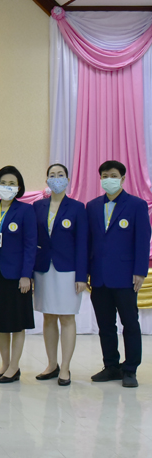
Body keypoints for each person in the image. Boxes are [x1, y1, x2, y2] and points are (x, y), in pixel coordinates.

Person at [86, 160, 151, 388]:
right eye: (104, 175)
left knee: (130, 323)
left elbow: (143, 242)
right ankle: (111, 366)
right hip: (100, 276)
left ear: (123, 178)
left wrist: (140, 271)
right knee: (105, 324)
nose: (108, 179)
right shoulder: (92, 206)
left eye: (113, 175)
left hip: (125, 276)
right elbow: (88, 242)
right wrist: (85, 273)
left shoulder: (136, 205)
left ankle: (130, 368)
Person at [32, 164, 87, 386]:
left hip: (68, 270)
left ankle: (65, 368)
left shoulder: (77, 207)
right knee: (48, 317)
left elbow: (83, 243)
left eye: (60, 175)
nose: (56, 179)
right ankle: (51, 364)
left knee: (66, 317)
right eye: (52, 175)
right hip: (43, 269)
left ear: (68, 179)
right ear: (46, 180)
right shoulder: (37, 206)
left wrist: (82, 276)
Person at [0, 166, 36, 384]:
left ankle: (14, 366)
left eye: (12, 183)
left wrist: (26, 275)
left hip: (16, 276)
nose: (8, 186)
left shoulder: (25, 210)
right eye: (4, 182)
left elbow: (30, 245)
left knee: (17, 322)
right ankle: (4, 364)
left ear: (19, 187)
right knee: (0, 321)